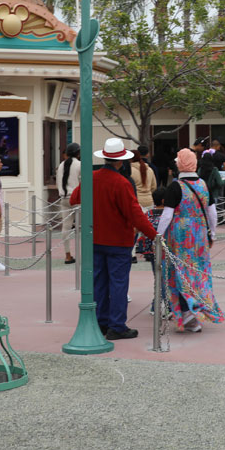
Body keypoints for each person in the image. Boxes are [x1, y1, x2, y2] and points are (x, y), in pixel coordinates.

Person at [69, 137, 157, 341]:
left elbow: (74, 199)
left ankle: (101, 321)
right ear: (120, 161)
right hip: (119, 240)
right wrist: (154, 234)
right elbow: (135, 214)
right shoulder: (122, 183)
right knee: (118, 283)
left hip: (95, 238)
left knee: (99, 282)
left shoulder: (91, 178)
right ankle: (117, 325)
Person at [156, 148, 225, 332]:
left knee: (180, 272)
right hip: (200, 235)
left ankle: (188, 313)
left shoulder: (175, 186)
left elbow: (167, 215)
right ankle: (196, 308)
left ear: (180, 164)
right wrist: (212, 232)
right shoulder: (203, 184)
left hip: (180, 236)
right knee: (198, 272)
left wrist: (158, 235)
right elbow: (212, 212)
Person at [55, 142, 80, 264]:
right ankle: (86, 253)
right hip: (77, 199)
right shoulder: (79, 165)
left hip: (63, 198)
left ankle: (68, 255)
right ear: (78, 153)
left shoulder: (61, 165)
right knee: (86, 227)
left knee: (66, 227)